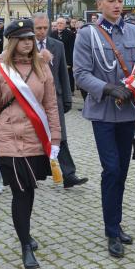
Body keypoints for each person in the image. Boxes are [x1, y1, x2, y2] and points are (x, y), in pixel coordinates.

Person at [73, 0, 135, 259]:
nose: (117, 5)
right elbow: (80, 73)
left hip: (127, 111)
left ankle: (115, 222)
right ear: (99, 4)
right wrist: (106, 88)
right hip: (103, 112)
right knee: (112, 170)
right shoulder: (87, 35)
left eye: (120, 0)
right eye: (111, 1)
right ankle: (111, 231)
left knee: (123, 172)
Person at [0, 19, 61, 269]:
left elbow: (50, 106)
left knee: (31, 189)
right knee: (21, 191)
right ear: (13, 41)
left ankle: (25, 233)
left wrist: (55, 140)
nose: (28, 43)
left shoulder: (43, 68)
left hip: (36, 139)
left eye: (31, 38)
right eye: (23, 38)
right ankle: (25, 246)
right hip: (8, 140)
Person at [33, 13, 88, 188]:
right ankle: (31, 173)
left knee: (60, 136)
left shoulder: (57, 45)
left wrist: (67, 97)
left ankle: (69, 174)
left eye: (45, 28)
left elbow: (63, 73)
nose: (42, 32)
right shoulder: (25, 46)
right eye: (38, 28)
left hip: (54, 98)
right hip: (32, 99)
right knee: (33, 137)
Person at [50, 17, 76, 93]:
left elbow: (72, 49)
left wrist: (70, 62)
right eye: (58, 23)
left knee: (68, 75)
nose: (59, 25)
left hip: (66, 58)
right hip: (55, 59)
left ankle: (70, 90)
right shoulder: (52, 34)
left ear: (65, 25)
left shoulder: (70, 34)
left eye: (61, 23)